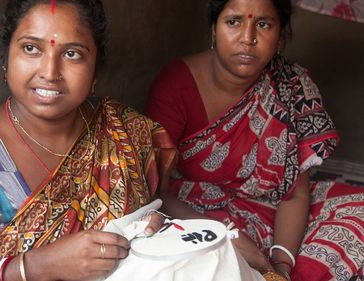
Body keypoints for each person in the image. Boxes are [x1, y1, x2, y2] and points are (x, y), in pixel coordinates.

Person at [0, 0, 175, 280]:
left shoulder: (121, 127)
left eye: (72, 54)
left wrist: (157, 228)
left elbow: (159, 203)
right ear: (6, 60)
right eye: (31, 48)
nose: (49, 72)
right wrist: (33, 267)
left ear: (95, 71)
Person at [145, 0, 364, 280]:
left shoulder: (292, 87)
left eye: (263, 24)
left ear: (280, 37)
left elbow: (295, 193)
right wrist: (228, 236)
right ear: (214, 29)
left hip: (275, 209)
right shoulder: (175, 85)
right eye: (234, 22)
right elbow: (155, 192)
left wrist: (280, 264)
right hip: (194, 213)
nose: (248, 38)